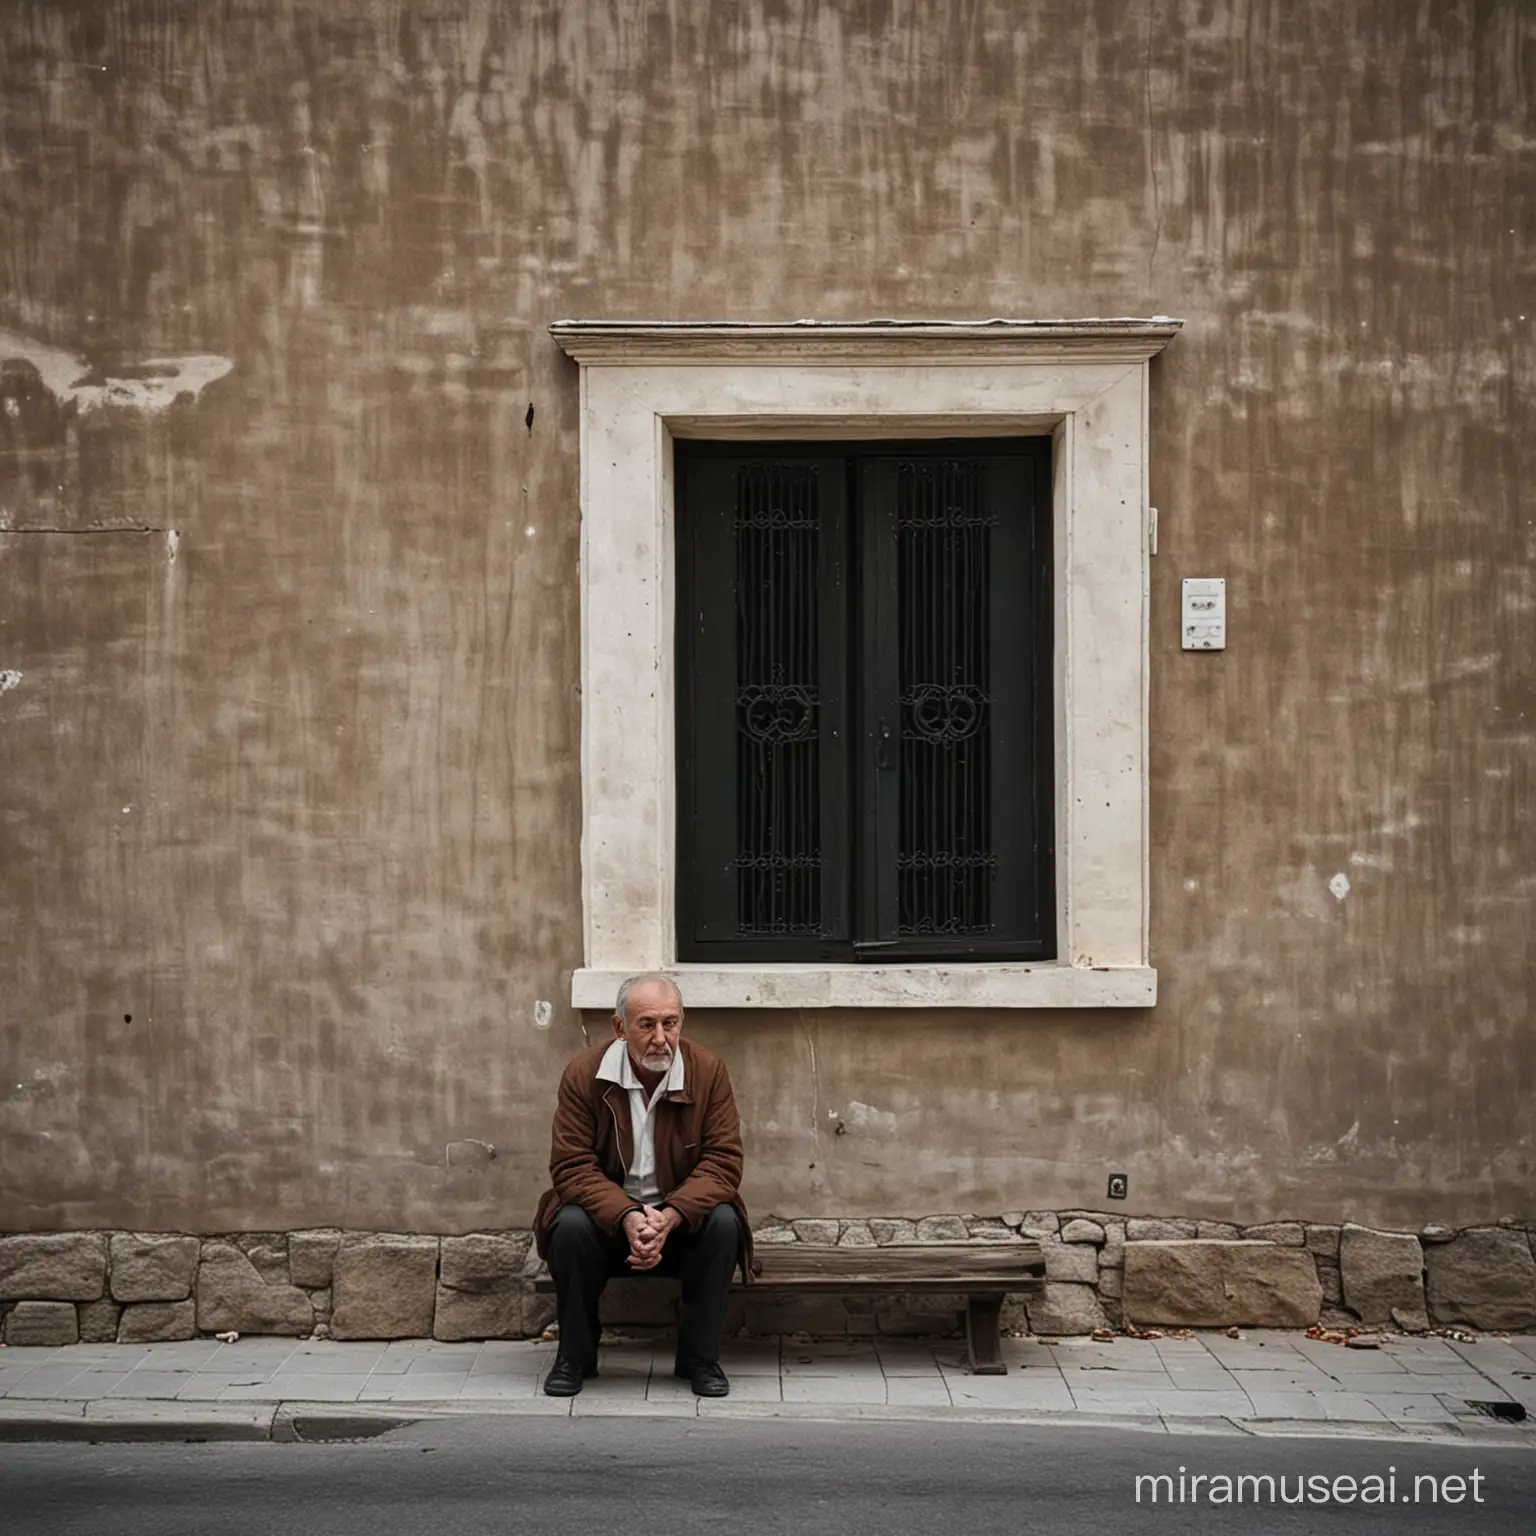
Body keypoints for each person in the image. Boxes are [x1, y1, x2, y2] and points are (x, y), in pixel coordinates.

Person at [531, 974, 754, 1397]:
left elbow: (723, 1163)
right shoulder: (584, 1075)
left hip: (678, 1224)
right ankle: (574, 1358)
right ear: (619, 1028)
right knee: (570, 1226)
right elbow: (571, 1166)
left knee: (724, 1222)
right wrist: (627, 1216)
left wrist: (669, 1216)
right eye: (646, 1024)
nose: (660, 1038)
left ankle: (699, 1359)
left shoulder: (707, 1072)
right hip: (608, 1225)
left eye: (670, 1024)